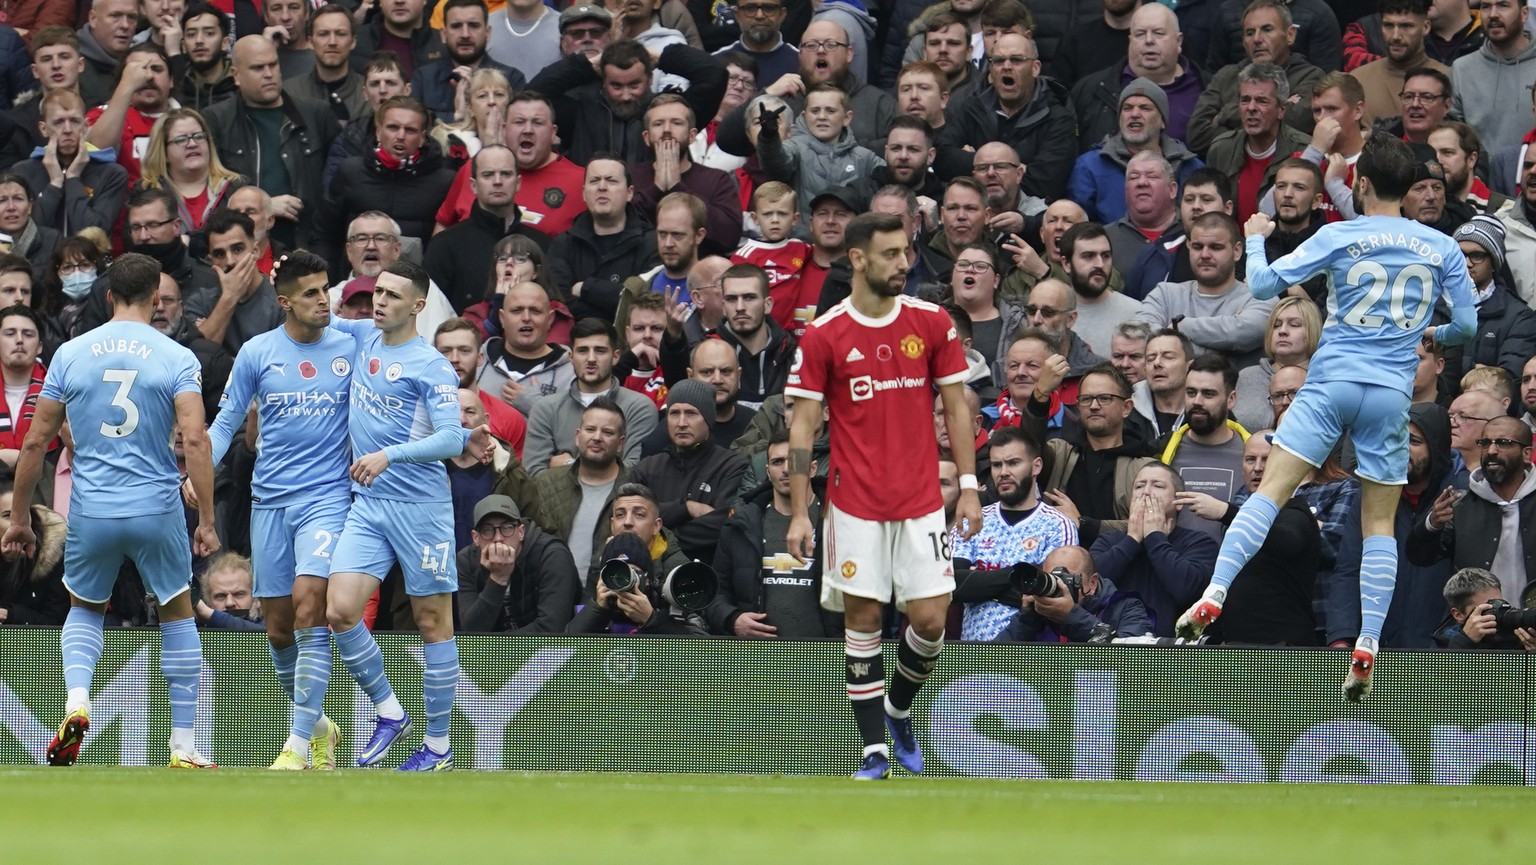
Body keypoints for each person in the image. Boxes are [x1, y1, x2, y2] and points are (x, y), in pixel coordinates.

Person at [1178, 132, 1478, 702]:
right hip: (1391, 395)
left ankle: (1214, 592)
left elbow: (1264, 284)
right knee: (1379, 525)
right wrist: (1430, 332)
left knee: (1268, 495)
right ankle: (1367, 641)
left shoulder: (1340, 234)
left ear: (1361, 185)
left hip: (1331, 384)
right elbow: (1465, 326)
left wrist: (1256, 238)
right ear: (1412, 189)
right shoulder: (1439, 246)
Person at [785, 211, 982, 780]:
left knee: (930, 620)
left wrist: (968, 488)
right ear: (857, 260)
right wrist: (800, 511)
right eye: (891, 254)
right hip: (854, 503)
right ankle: (874, 751)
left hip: (922, 498)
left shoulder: (932, 321)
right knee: (865, 617)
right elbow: (802, 429)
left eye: (906, 252)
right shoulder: (825, 334)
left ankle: (896, 708)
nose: (904, 263)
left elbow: (955, 408)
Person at [4, 253, 220, 767]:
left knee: (84, 610)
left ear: (107, 297)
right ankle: (185, 744)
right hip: (157, 506)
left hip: (92, 508)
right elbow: (194, 437)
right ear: (155, 299)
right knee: (177, 614)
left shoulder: (70, 354)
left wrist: (18, 518)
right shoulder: (176, 356)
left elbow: (34, 444)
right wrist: (207, 518)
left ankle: (78, 701)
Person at [324, 260, 491, 772]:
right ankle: (390, 713)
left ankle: (438, 749)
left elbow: (451, 437)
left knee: (432, 623)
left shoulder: (432, 365)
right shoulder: (361, 337)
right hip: (370, 505)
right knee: (340, 611)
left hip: (422, 511)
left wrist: (388, 454)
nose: (380, 302)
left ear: (418, 306)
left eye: (394, 296)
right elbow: (311, 315)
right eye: (378, 292)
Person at [199, 249, 349, 770]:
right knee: (280, 628)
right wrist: (197, 474)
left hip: (327, 500)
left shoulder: (352, 344)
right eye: (311, 292)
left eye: (326, 288)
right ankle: (320, 725)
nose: (323, 299)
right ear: (284, 301)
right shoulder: (258, 353)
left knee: (312, 606)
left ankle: (297, 746)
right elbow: (224, 424)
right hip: (270, 503)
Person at [203, 35, 342, 249]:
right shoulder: (217, 120)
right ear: (236, 75)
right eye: (258, 68)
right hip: (245, 245)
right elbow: (208, 189)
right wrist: (262, 205)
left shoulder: (316, 114)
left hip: (307, 241)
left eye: (273, 65)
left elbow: (336, 184)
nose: (269, 74)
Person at [709, 429, 841, 638]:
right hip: (758, 659)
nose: (787, 469)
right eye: (778, 462)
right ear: (768, 472)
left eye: (795, 460)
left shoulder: (841, 522)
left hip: (826, 658)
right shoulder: (740, 525)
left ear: (813, 468)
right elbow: (715, 592)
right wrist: (732, 619)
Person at [951, 425, 1078, 641]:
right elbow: (952, 586)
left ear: (1036, 466)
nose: (1003, 472)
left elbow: (1054, 595)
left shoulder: (1058, 524)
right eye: (996, 465)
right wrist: (1024, 576)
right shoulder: (972, 520)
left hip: (1033, 657)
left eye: (1013, 463)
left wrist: (978, 579)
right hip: (973, 655)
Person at [1408, 415, 1536, 605]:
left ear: (1526, 453)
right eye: (1485, 443)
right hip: (1475, 627)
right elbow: (1421, 557)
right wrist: (1431, 525)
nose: (1491, 451)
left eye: (1503, 443)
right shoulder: (1461, 505)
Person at [1088, 462, 1218, 637]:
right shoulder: (1108, 541)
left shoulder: (1199, 543)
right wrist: (1132, 540)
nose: (1146, 492)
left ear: (1178, 502)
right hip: (1112, 647)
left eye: (1158, 485)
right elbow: (1091, 588)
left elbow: (1186, 591)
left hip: (1174, 651)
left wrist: (1155, 537)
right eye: (1139, 486)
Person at [630, 379, 748, 563]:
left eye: (692, 413)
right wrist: (685, 508)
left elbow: (723, 525)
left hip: (710, 576)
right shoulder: (647, 468)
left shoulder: (732, 466)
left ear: (709, 419)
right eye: (674, 413)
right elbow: (630, 518)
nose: (682, 423)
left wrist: (655, 536)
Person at [1185, 0, 1322, 155]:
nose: (1257, 39)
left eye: (1267, 29)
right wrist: (1270, 117)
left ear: (1290, 35)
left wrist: (1224, 115)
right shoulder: (1225, 76)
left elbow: (1297, 122)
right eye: (1249, 33)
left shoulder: (1310, 77)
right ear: (1243, 42)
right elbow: (1196, 135)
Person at [523, 318, 657, 474]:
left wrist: (569, 464)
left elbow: (635, 472)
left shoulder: (639, 407)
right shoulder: (546, 408)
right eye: (583, 350)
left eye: (600, 350)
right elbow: (533, 474)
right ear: (571, 357)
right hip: (556, 499)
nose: (591, 359)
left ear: (615, 357)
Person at [549, 156, 660, 321]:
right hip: (578, 340)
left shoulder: (652, 243)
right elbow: (560, 303)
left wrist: (585, 288)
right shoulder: (564, 244)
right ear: (583, 193)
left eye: (611, 180)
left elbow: (645, 303)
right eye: (594, 181)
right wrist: (612, 305)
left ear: (629, 193)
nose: (602, 187)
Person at [531, 398, 632, 580]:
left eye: (607, 432)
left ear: (620, 443)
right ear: (578, 436)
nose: (597, 438)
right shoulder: (546, 482)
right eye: (590, 429)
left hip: (605, 596)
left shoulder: (634, 488)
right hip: (551, 593)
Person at [455, 493, 580, 633]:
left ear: (521, 532)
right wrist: (498, 579)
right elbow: (471, 630)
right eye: (487, 530)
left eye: (507, 527)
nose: (498, 538)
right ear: (475, 538)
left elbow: (551, 628)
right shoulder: (465, 561)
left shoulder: (553, 555)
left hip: (552, 652)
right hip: (490, 652)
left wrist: (494, 647)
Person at [11, 90, 128, 237]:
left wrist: (73, 179)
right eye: (59, 122)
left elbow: (96, 235)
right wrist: (55, 184)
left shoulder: (112, 174)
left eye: (74, 121)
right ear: (43, 129)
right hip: (40, 260)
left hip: (88, 259)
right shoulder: (23, 172)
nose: (67, 130)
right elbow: (26, 235)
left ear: (85, 126)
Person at [993, 544, 1153, 642]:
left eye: (1066, 578)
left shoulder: (1126, 607)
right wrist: (1026, 620)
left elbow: (1134, 659)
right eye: (1052, 578)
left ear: (1092, 583)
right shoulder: (1038, 613)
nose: (1059, 585)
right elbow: (991, 661)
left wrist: (1071, 616)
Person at [134, 109, 248, 235]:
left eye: (199, 137)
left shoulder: (236, 187)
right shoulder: (146, 191)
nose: (192, 144)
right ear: (163, 152)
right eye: (181, 140)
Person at [1450, 0, 1536, 154]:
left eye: (1503, 5)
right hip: (1479, 175)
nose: (1493, 14)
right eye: (1486, 7)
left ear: (1524, 14)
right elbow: (1454, 137)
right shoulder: (1462, 69)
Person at [282, 4, 371, 125]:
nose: (332, 42)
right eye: (323, 34)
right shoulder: (289, 92)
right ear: (311, 42)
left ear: (353, 41)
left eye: (340, 34)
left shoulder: (371, 94)